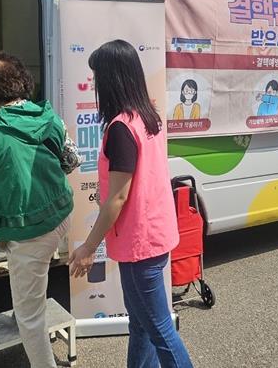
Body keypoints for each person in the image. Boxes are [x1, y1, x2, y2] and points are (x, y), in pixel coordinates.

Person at [0, 52, 80, 368]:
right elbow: (71, 161)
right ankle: (29, 294)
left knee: (30, 317)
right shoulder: (49, 118)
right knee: (32, 275)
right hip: (61, 214)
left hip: (29, 229)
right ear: (24, 83)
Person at [69, 40, 193, 368]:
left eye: (97, 75)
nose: (94, 82)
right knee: (141, 324)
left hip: (140, 243)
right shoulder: (147, 116)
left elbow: (118, 197)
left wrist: (88, 247)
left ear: (112, 78)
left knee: (159, 330)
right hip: (155, 235)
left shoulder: (121, 128)